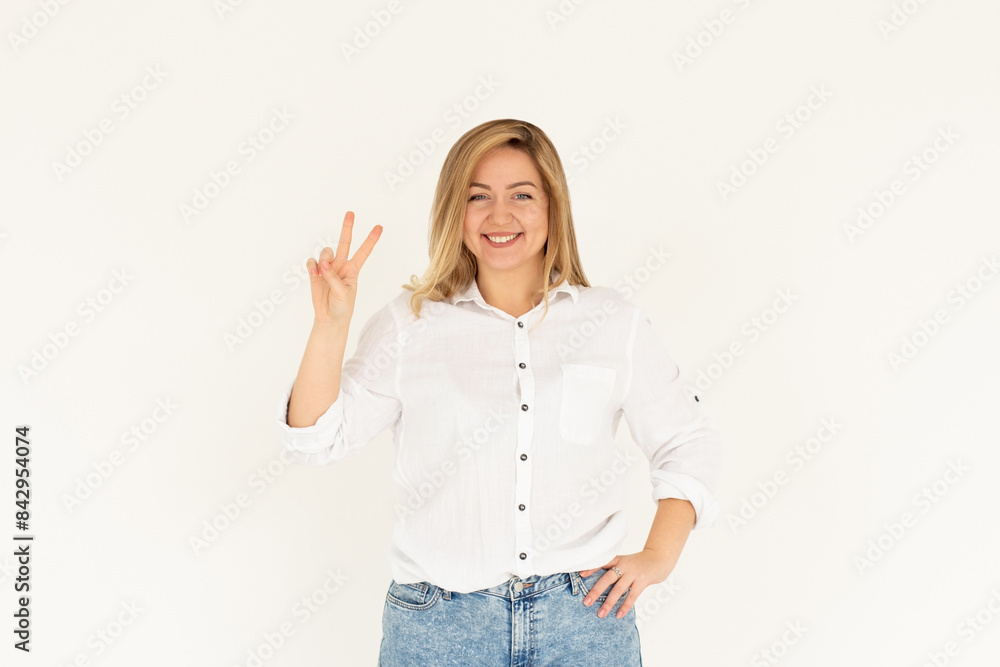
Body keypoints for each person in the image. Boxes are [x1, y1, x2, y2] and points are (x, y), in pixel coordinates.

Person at [276, 119, 722, 666]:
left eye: (522, 195)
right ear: (454, 213)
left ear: (553, 207)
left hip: (583, 624)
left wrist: (658, 557)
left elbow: (686, 441)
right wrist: (331, 325)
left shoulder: (613, 323)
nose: (500, 215)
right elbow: (314, 443)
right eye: (478, 196)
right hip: (438, 630)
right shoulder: (408, 326)